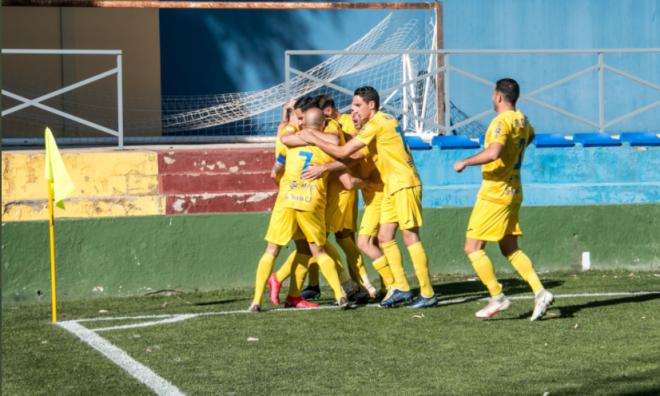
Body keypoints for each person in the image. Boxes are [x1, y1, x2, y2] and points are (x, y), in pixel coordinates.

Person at [298, 86, 436, 309]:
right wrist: (326, 165)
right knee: (384, 237)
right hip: (391, 186)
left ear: (371, 105)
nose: (354, 111)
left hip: (404, 182)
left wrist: (312, 136)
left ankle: (428, 292)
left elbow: (344, 153)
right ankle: (400, 286)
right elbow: (353, 156)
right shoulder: (381, 123)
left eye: (357, 105)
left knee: (410, 237)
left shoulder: (377, 123)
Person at [453, 78, 554, 320]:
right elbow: (529, 137)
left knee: (473, 247)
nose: (491, 98)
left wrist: (465, 162)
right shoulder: (522, 118)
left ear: (498, 96)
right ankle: (540, 292)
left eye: (492, 94)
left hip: (495, 193)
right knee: (510, 248)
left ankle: (497, 297)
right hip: (515, 190)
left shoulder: (501, 121)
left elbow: (494, 152)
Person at [249, 107, 350, 312]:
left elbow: (275, 170)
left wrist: (285, 182)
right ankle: (340, 295)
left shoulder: (291, 140)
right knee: (318, 251)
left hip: (286, 200)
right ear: (323, 124)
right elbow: (344, 160)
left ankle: (256, 301)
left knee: (273, 250)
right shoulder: (327, 146)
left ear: (303, 123)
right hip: (310, 202)